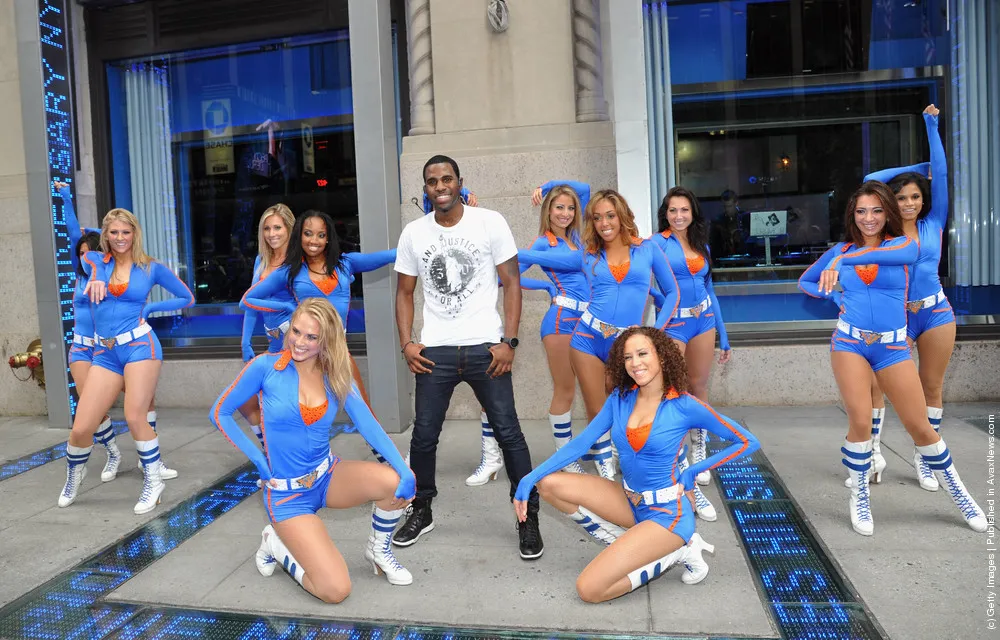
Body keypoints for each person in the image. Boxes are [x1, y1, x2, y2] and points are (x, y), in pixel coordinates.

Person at [513, 326, 759, 603]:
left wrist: (692, 470)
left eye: (642, 354)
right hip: (629, 500)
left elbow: (747, 442)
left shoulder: (685, 405)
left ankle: (679, 550)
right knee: (549, 485)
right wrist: (528, 478)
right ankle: (629, 544)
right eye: (628, 357)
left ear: (662, 357)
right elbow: (582, 444)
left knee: (590, 590)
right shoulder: (620, 398)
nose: (635, 363)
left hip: (667, 516)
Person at [797, 181, 986, 536]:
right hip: (849, 344)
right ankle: (861, 495)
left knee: (919, 426)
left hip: (893, 347)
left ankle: (958, 491)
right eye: (861, 211)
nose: (869, 218)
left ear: (888, 213)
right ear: (852, 215)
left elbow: (904, 257)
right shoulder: (841, 249)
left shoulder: (901, 244)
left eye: (877, 210)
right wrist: (835, 300)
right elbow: (805, 283)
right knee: (860, 421)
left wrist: (845, 259)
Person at [210, 299, 415, 601]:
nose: (299, 342)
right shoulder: (265, 367)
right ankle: (276, 544)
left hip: (327, 476)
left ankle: (378, 551)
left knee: (393, 483)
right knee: (334, 590)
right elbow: (220, 412)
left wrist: (403, 469)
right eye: (296, 331)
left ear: (326, 340)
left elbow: (369, 426)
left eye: (311, 337)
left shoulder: (335, 374)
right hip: (287, 495)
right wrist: (258, 459)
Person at [393, 154, 543, 560]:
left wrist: (509, 342)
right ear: (425, 188)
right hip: (435, 351)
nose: (440, 186)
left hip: (485, 347)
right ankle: (421, 509)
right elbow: (404, 292)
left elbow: (512, 283)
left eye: (446, 179)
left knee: (509, 433)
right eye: (431, 181)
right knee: (423, 437)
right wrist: (407, 342)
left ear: (459, 181)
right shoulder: (413, 233)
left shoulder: (489, 222)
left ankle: (527, 516)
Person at [517, 189, 680, 482]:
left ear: (622, 216)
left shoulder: (648, 249)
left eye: (610, 215)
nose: (604, 222)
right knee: (597, 409)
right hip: (587, 337)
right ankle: (606, 474)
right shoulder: (587, 255)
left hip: (627, 343)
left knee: (632, 405)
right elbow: (526, 256)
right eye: (597, 217)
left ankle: (640, 460)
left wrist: (654, 332)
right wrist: (495, 248)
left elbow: (672, 293)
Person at [60, 208, 194, 514]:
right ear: (105, 236)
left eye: (126, 231)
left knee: (135, 415)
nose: (120, 238)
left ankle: (153, 479)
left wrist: (149, 311)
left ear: (135, 234)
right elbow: (86, 252)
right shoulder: (93, 261)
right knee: (82, 427)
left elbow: (187, 298)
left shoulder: (152, 268)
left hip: (140, 347)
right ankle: (74, 473)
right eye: (114, 232)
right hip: (105, 353)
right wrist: (96, 277)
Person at [856, 104, 955, 492]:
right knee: (876, 387)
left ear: (923, 199)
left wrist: (931, 127)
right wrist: (917, 165)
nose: (909, 202)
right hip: (893, 318)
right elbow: (869, 178)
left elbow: (942, 176)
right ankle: (875, 455)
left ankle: (925, 457)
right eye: (901, 197)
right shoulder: (884, 235)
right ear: (890, 202)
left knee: (930, 386)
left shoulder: (934, 223)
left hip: (934, 314)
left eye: (915, 195)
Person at [240, 210, 396, 432]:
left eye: (321, 235)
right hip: (304, 357)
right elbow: (248, 300)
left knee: (363, 414)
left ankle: (388, 463)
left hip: (337, 353)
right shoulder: (290, 271)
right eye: (308, 234)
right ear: (299, 236)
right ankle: (277, 455)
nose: (314, 240)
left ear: (328, 237)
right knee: (291, 417)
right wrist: (286, 307)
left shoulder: (345, 264)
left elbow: (393, 254)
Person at [648, 186, 731, 520]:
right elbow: (643, 282)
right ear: (665, 214)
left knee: (699, 387)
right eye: (672, 210)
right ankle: (676, 456)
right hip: (674, 325)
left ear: (693, 212)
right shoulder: (655, 244)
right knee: (674, 391)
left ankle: (699, 448)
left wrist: (724, 335)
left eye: (684, 210)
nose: (678, 216)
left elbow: (711, 291)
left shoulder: (701, 244)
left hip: (704, 322)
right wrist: (660, 296)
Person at [238, 204, 295, 440]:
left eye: (277, 227)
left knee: (282, 404)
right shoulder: (261, 259)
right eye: (267, 228)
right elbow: (250, 302)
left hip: (294, 340)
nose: (272, 234)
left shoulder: (297, 260)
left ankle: (287, 456)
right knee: (245, 398)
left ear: (289, 228)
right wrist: (245, 342)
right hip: (271, 340)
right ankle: (269, 450)